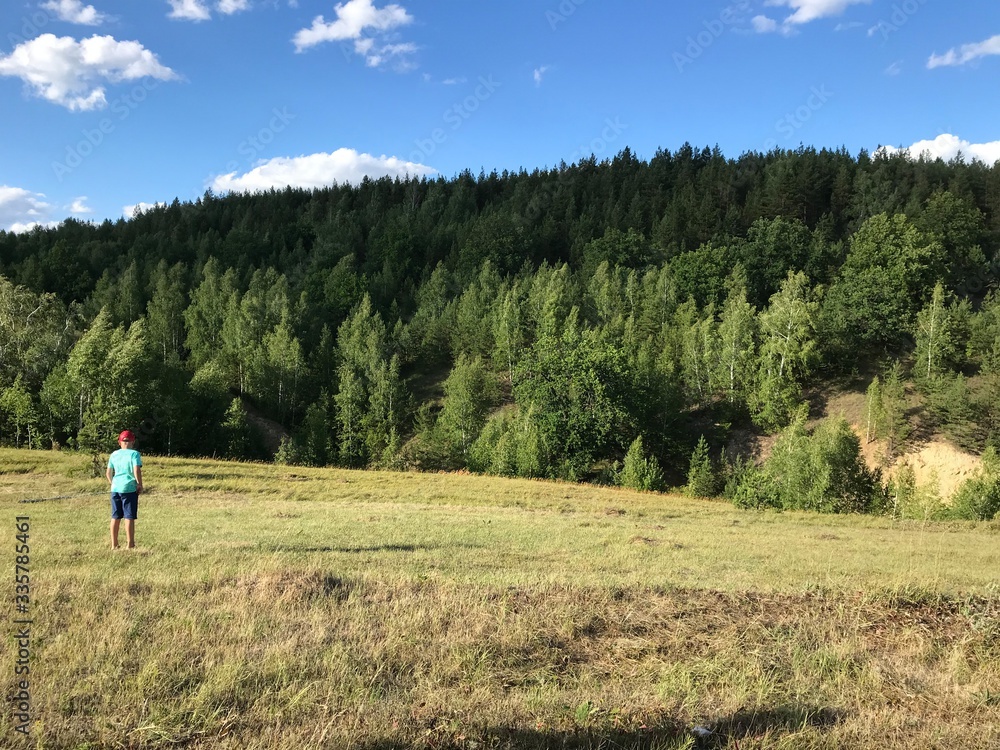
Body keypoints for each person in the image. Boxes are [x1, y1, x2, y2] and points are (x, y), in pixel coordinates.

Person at [106, 429, 143, 550]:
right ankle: (130, 544)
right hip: (129, 488)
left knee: (115, 516)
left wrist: (113, 483)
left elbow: (108, 473)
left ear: (119, 442)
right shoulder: (134, 454)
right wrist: (139, 484)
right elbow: (136, 469)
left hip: (115, 488)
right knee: (129, 516)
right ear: (133, 442)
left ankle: (114, 544)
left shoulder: (114, 454)